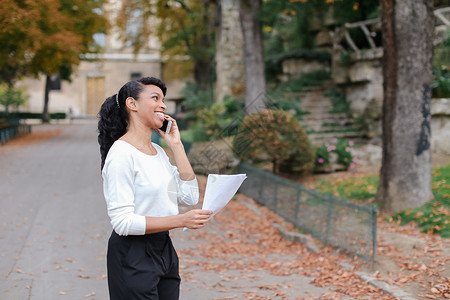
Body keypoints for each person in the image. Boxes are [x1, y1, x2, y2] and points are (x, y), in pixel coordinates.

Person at [97, 76, 212, 299]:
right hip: (132, 254)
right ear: (132, 104)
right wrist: (181, 221)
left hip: (164, 250)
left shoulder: (159, 153)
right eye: (155, 98)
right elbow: (122, 222)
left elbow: (188, 197)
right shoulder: (121, 154)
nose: (163, 105)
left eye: (163, 99)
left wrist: (176, 146)